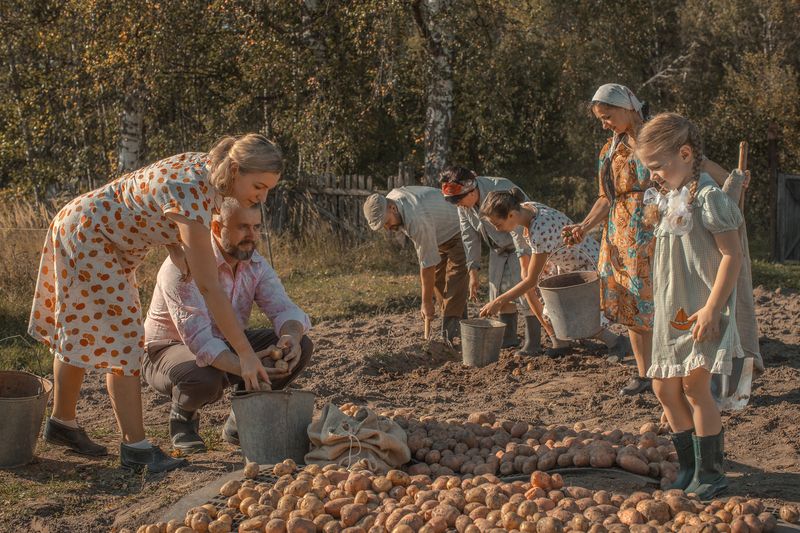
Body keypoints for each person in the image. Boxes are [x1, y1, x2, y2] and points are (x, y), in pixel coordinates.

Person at [29, 134, 283, 472]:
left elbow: (146, 200)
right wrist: (247, 356)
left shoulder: (207, 167)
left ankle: (62, 422)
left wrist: (172, 244)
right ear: (235, 169)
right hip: (91, 236)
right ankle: (136, 449)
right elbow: (210, 287)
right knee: (125, 341)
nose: (262, 196)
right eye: (259, 186)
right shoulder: (194, 191)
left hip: (87, 227)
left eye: (268, 189)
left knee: (80, 328)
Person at [563, 84, 729, 395]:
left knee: (672, 299)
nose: (604, 124)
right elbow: (606, 197)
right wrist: (584, 226)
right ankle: (644, 374)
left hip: (665, 227)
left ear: (628, 108)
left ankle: (682, 370)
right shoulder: (609, 151)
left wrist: (732, 182)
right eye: (600, 119)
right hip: (623, 237)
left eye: (608, 116)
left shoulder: (661, 138)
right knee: (632, 306)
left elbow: (699, 164)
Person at [142, 198, 313, 453]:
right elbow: (199, 340)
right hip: (168, 350)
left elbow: (283, 308)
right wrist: (247, 364)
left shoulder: (255, 264)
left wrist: (291, 336)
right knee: (204, 374)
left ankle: (241, 419)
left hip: (227, 343)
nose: (252, 235)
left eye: (256, 227)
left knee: (300, 346)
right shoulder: (182, 267)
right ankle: (183, 419)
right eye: (242, 227)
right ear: (215, 227)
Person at [637, 112, 745, 499]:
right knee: (664, 387)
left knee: (695, 387)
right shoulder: (669, 198)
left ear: (684, 153)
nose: (653, 176)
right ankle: (688, 466)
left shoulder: (708, 198)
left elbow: (731, 255)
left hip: (700, 308)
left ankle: (711, 473)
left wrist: (714, 308)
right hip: (672, 310)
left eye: (657, 166)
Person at [477, 189, 629, 357]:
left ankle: (617, 342)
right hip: (568, 264)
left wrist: (498, 301)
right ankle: (564, 341)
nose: (497, 229)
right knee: (559, 308)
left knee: (577, 312)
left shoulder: (540, 229)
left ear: (511, 215)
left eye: (498, 224)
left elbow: (530, 281)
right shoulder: (527, 209)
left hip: (584, 266)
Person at [439, 167, 540, 356]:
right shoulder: (464, 205)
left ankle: (533, 342)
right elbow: (468, 234)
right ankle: (509, 337)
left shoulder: (499, 189)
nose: (458, 205)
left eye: (459, 200)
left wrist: (524, 259)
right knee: (499, 290)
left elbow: (519, 222)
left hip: (522, 245)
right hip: (498, 248)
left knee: (525, 291)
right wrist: (473, 270)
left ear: (472, 189)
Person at [363, 186, 467, 344]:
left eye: (386, 222)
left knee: (454, 280)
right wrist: (428, 300)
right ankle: (461, 323)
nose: (387, 228)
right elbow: (430, 268)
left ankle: (450, 336)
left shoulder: (416, 219)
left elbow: (427, 266)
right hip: (438, 233)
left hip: (460, 229)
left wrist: (426, 303)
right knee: (439, 282)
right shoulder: (392, 200)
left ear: (392, 208)